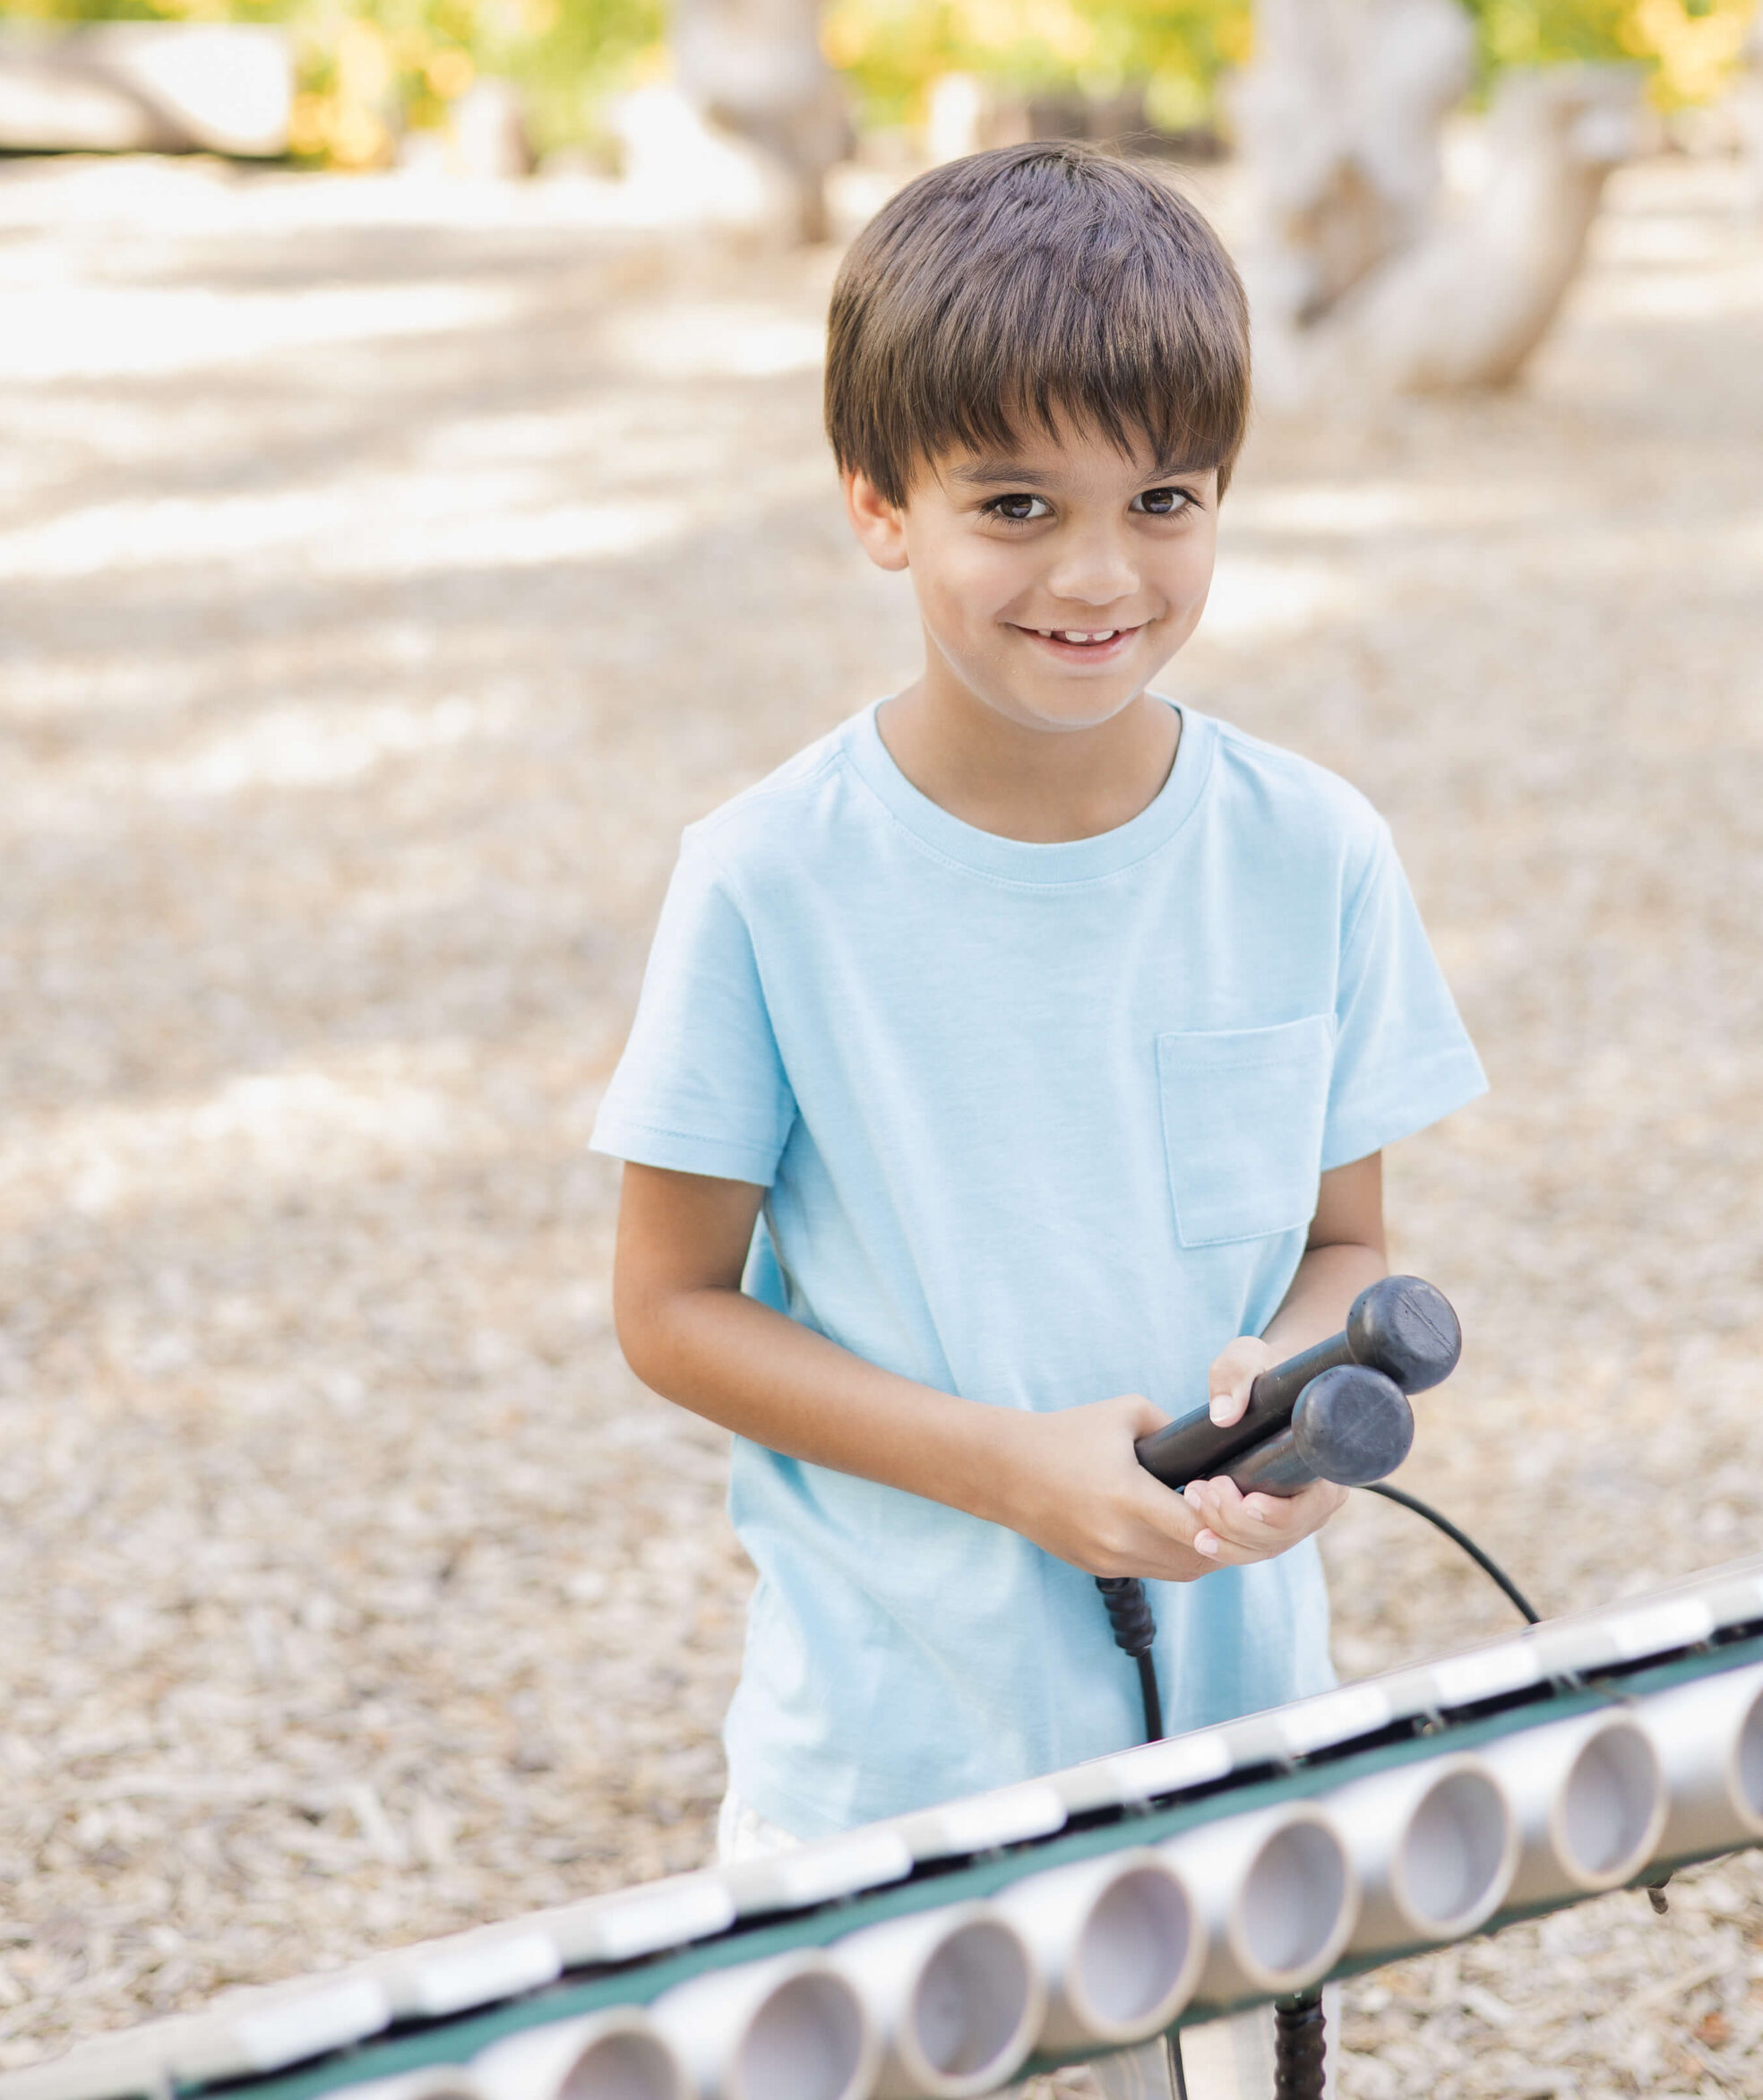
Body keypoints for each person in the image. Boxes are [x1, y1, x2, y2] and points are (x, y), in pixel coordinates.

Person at [591, 143, 1485, 2099]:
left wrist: (1300, 1417)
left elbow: (1349, 1237)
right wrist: (1004, 1463)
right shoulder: (766, 881)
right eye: (1016, 505)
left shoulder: (1314, 852)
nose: (1099, 574)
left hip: (1238, 1755)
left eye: (1161, 499)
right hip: (888, 1775)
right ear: (876, 506)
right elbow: (671, 1308)